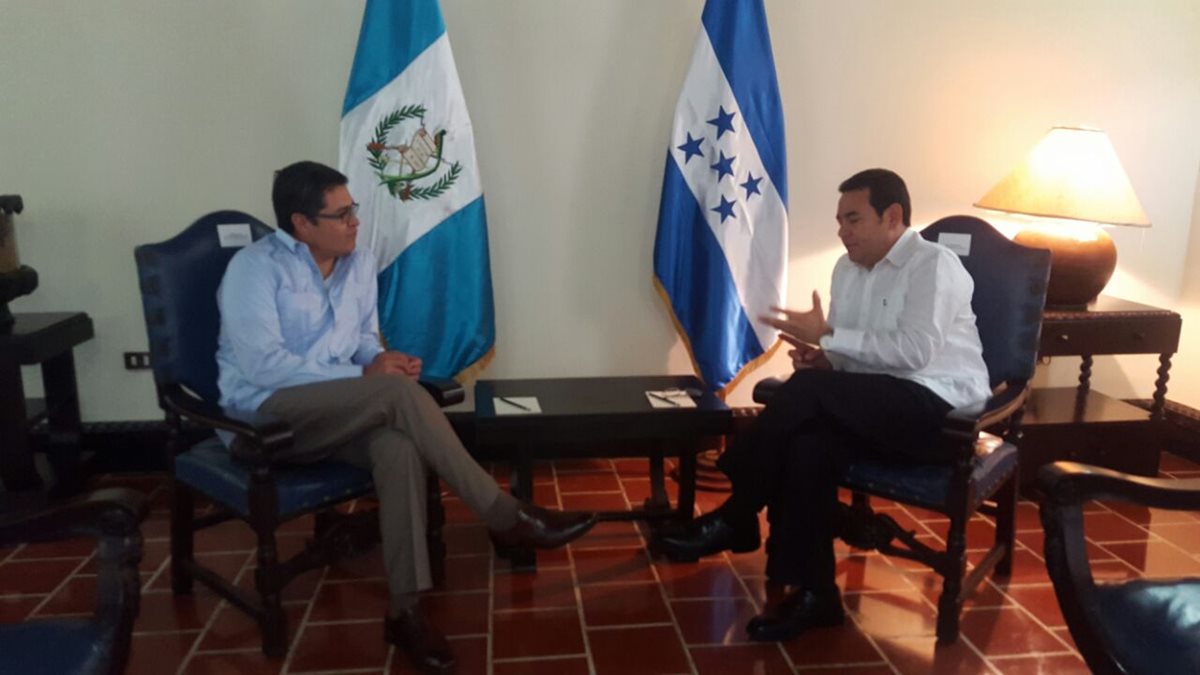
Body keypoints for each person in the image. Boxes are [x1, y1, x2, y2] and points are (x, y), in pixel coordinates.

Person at [216, 160, 597, 673]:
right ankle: (504, 515)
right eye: (341, 214)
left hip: (334, 411)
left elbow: (361, 343)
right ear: (300, 224)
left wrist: (379, 361)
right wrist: (368, 380)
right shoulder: (255, 269)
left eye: (354, 210)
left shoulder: (358, 261)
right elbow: (265, 366)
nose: (355, 222)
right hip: (264, 413)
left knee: (396, 446)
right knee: (396, 398)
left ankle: (406, 611)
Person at [656, 168, 991, 642]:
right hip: (875, 407)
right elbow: (860, 354)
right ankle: (817, 595)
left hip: (940, 415)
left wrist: (831, 338)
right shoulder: (846, 268)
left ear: (892, 216)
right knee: (808, 445)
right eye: (839, 220)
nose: (842, 231)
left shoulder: (934, 266)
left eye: (853, 219)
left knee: (805, 393)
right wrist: (826, 358)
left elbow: (916, 352)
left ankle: (737, 513)